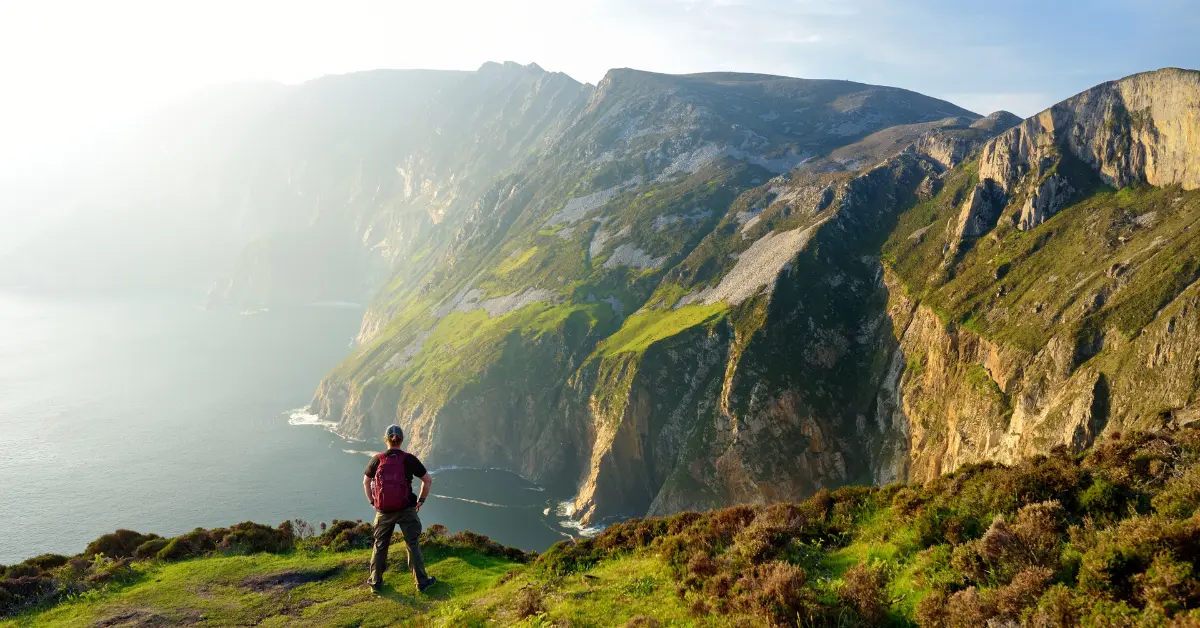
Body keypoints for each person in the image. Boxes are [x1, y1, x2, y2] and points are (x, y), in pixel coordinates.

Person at [363, 424, 437, 593]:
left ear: (386, 440)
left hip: (383, 511)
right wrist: (421, 500)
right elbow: (427, 480)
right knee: (412, 544)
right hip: (406, 509)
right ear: (402, 440)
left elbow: (366, 482)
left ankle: (375, 582)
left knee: (380, 545)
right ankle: (421, 582)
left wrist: (372, 502)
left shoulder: (377, 459)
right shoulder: (409, 459)